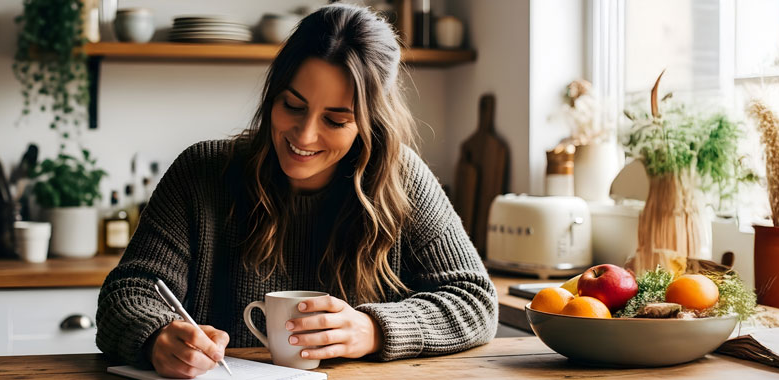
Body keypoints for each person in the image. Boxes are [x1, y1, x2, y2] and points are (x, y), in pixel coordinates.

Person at [96, 4, 497, 378]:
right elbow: (126, 295)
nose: (304, 135)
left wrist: (373, 328)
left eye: (336, 120)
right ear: (273, 94)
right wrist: (155, 338)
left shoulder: (401, 176)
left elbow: (476, 301)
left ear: (368, 124)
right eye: (293, 105)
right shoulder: (202, 172)